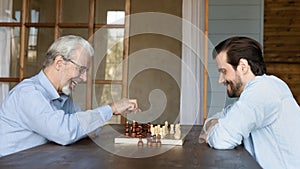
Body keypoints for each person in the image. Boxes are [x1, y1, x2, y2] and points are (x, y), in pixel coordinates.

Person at [0, 35, 140, 157]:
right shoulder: (28, 94)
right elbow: (64, 133)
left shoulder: (64, 98)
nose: (84, 78)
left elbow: (89, 130)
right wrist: (112, 108)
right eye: (81, 69)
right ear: (59, 63)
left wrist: (89, 122)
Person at [199, 36, 300, 169]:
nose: (220, 80)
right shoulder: (258, 91)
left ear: (243, 67)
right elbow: (216, 119)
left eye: (224, 71)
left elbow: (221, 139)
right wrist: (213, 124)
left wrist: (214, 130)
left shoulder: (262, 91)